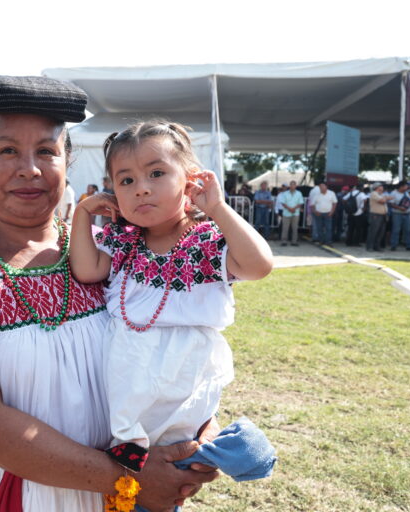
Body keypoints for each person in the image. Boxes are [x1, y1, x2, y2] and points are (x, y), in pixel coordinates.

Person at [0, 76, 221, 512]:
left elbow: (183, 343)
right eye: (7, 151)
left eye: (46, 151)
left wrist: (198, 432)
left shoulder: (114, 252)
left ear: (67, 160)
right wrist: (130, 479)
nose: (30, 168)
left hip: (135, 493)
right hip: (26, 495)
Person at [70, 120, 274, 489]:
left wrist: (219, 209)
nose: (141, 189)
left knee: (166, 480)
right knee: (124, 484)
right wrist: (83, 213)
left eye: (157, 173)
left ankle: (222, 449)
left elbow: (259, 266)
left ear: (190, 179)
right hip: (125, 384)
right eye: (126, 180)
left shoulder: (207, 241)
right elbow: (86, 270)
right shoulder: (123, 241)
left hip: (181, 385)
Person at [388, 181, 410, 251]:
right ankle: (393, 245)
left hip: (407, 214)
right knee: (396, 230)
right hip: (397, 214)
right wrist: (399, 208)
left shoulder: (406, 193)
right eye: (406, 186)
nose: (407, 187)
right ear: (401, 186)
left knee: (407, 230)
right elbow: (390, 204)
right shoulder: (393, 193)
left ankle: (409, 245)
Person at [278, 180, 304, 246]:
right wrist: (289, 209)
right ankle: (284, 241)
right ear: (289, 186)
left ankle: (294, 241)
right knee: (285, 228)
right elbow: (283, 203)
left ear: (296, 186)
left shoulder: (299, 193)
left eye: (294, 185)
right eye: (291, 185)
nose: (292, 186)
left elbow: (300, 203)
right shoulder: (285, 193)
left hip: (295, 213)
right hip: (286, 213)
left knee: (295, 228)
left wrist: (293, 209)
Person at [366, 183, 389, 252]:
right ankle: (370, 247)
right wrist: (386, 198)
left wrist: (385, 197)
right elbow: (382, 201)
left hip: (383, 215)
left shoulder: (381, 194)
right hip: (375, 215)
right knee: (373, 231)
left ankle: (377, 246)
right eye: (381, 186)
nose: (382, 187)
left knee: (381, 232)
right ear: (377, 187)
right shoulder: (374, 193)